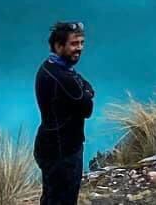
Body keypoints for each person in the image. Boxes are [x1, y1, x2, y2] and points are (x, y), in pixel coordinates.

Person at [34, 20, 96, 205]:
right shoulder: (64, 78)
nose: (79, 48)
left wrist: (85, 90)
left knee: (51, 199)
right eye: (74, 44)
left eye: (81, 43)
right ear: (58, 46)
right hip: (63, 151)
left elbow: (86, 86)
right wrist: (86, 92)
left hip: (49, 145)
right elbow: (87, 107)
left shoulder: (49, 67)